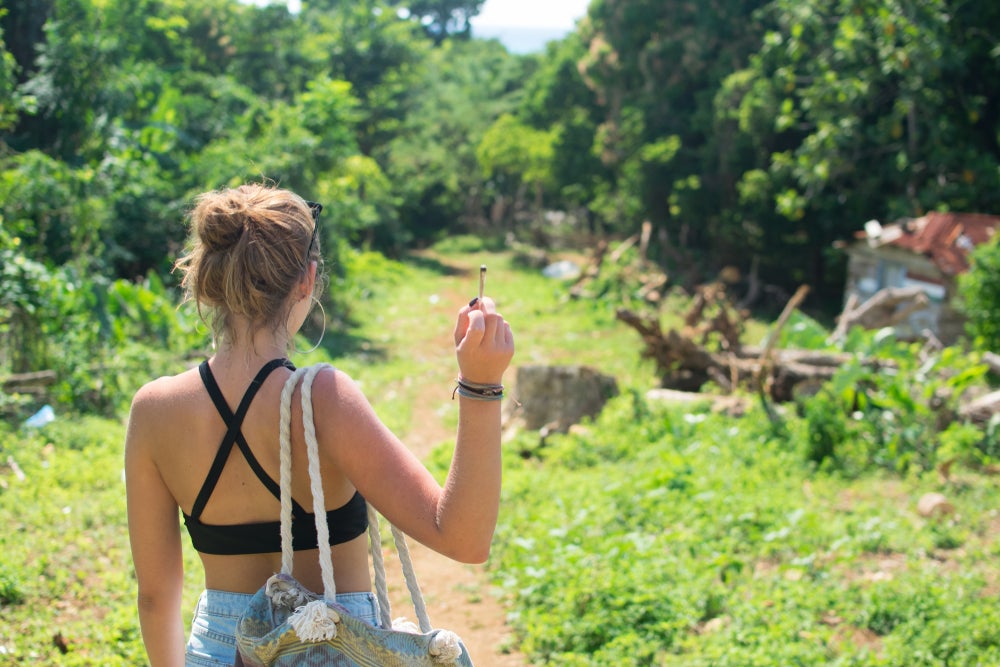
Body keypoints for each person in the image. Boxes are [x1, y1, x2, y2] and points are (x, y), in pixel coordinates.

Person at [124, 183, 515, 666]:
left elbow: (156, 597)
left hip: (220, 652)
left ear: (207, 280)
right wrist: (481, 386)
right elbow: (464, 538)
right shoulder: (321, 399)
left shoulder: (154, 409)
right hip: (331, 649)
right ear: (307, 280)